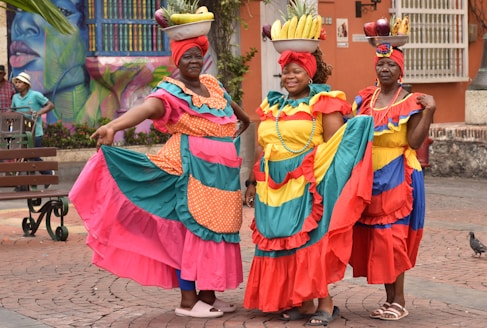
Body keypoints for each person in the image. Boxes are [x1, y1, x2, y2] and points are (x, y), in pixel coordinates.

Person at [69, 35, 251, 318]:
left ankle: (208, 294)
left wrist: (240, 127)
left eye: (197, 55)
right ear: (177, 60)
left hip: (221, 178)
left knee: (215, 230)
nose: (193, 60)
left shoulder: (213, 86)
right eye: (186, 56)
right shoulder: (171, 91)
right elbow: (147, 109)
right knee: (187, 231)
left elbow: (237, 112)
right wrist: (113, 126)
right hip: (187, 171)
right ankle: (189, 302)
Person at [243, 48, 374, 326]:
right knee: (281, 240)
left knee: (312, 241)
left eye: (297, 70)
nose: (290, 76)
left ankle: (325, 303)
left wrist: (327, 184)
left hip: (308, 184)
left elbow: (337, 146)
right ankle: (303, 303)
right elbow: (260, 146)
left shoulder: (324, 102)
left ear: (310, 73)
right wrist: (252, 183)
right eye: (286, 71)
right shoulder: (272, 105)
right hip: (272, 185)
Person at [350, 44, 436, 322]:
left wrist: (429, 113)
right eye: (380, 64)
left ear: (401, 70)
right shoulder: (365, 99)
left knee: (393, 239)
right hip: (369, 175)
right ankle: (389, 300)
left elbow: (413, 142)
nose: (385, 69)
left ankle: (399, 300)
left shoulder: (410, 101)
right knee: (378, 238)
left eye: (391, 65)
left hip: (399, 174)